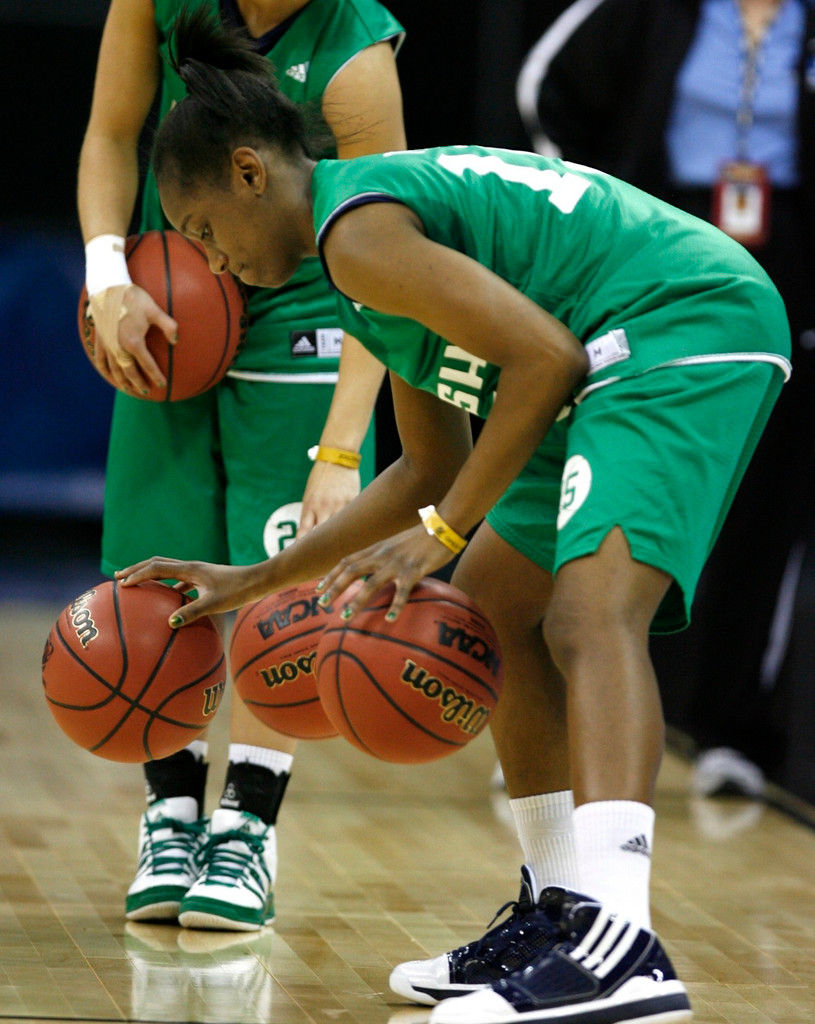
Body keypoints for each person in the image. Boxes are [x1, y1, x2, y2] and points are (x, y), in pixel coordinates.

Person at [116, 8, 791, 1022]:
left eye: (205, 230)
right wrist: (249, 582)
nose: (211, 262)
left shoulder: (359, 233)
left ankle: (620, 945)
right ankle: (559, 907)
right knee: (488, 614)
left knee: (584, 614)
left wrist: (436, 539)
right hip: (602, 347)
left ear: (251, 172)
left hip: (680, 317)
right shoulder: (356, 268)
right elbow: (428, 465)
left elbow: (544, 362)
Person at [77, 0, 406, 931]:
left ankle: (247, 827)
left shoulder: (355, 55)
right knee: (155, 562)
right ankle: (171, 813)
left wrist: (342, 448)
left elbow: (387, 252)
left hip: (307, 306)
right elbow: (108, 133)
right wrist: (109, 278)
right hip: (174, 287)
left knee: (281, 582)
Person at [516, 0, 815, 799]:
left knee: (764, 514)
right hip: (656, 253)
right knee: (603, 496)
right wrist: (590, 218)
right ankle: (556, 720)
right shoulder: (647, 9)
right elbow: (546, 88)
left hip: (781, 260)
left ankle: (731, 735)